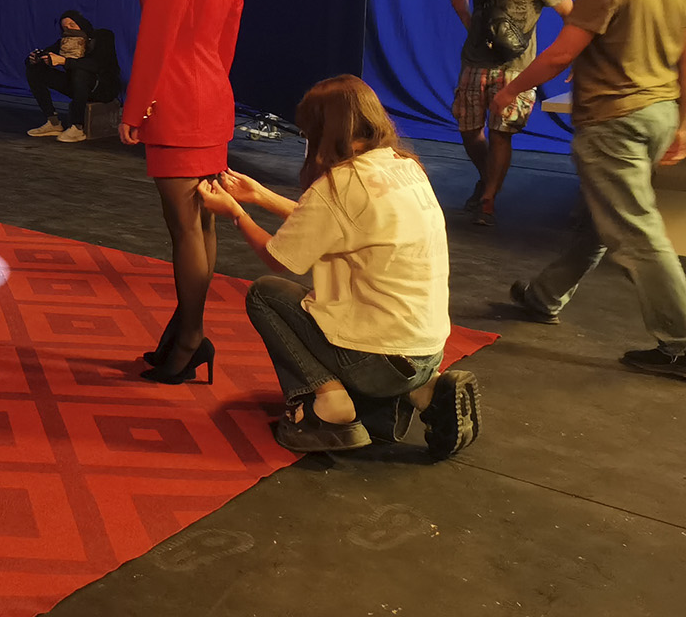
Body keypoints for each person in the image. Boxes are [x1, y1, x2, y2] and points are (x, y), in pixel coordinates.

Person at [197, 75, 481, 458]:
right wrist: (261, 196)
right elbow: (334, 224)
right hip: (426, 351)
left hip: (378, 359)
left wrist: (235, 213)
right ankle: (424, 390)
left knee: (267, 295)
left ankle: (331, 405)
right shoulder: (404, 166)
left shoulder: (339, 184)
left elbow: (278, 258)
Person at [493, 0, 686, 382]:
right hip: (658, 116)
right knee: (600, 218)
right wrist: (683, 124)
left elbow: (559, 54)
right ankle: (544, 297)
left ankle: (685, 346)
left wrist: (510, 90)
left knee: (635, 232)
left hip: (615, 124)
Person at [119, 0, 252, 383]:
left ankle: (191, 339)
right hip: (211, 93)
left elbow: (157, 38)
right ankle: (183, 330)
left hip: (175, 98)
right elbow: (228, 35)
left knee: (185, 229)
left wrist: (134, 110)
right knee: (203, 225)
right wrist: (214, 88)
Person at [447, 0, 571, 225]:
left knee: (501, 133)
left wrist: (573, 57)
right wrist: (469, 25)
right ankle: (488, 177)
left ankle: (488, 200)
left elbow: (571, 15)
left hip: (515, 67)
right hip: (474, 61)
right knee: (468, 130)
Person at [24, 10, 122, 143]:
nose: (69, 29)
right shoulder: (63, 42)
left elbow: (97, 65)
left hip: (102, 87)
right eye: (65, 27)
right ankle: (53, 122)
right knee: (35, 70)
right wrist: (35, 59)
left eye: (72, 24)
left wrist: (65, 61)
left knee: (80, 71)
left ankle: (77, 127)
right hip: (78, 87)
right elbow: (47, 52)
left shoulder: (103, 36)